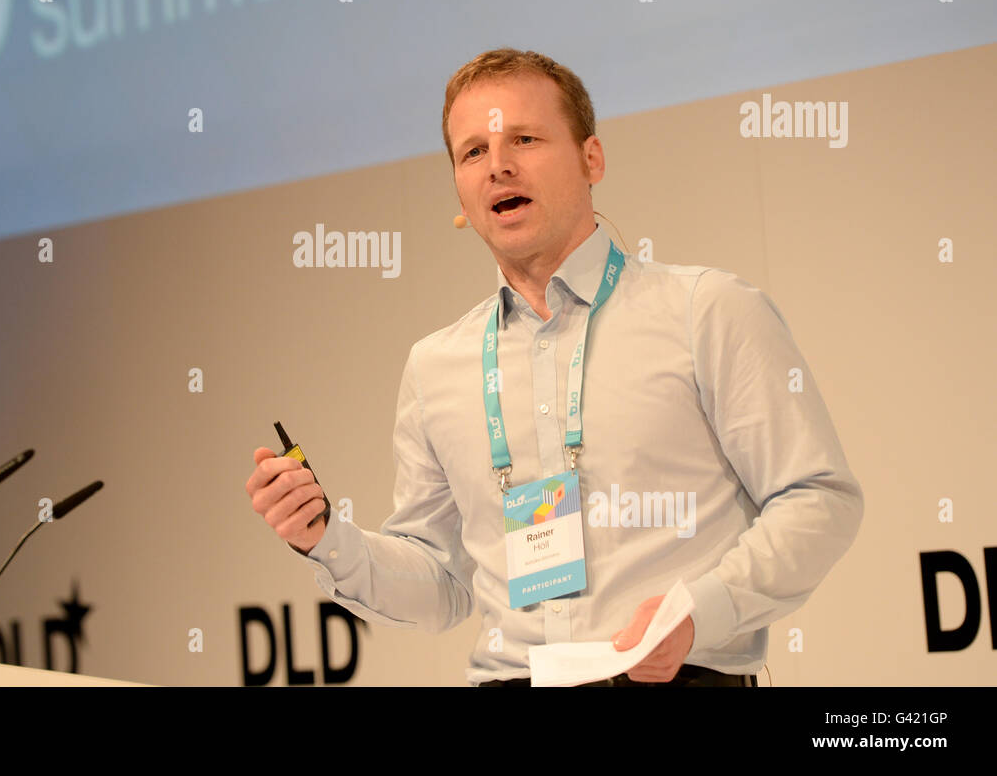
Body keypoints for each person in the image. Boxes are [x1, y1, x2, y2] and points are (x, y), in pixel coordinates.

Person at [245, 47, 863, 686]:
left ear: (591, 158)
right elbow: (443, 584)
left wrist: (697, 614)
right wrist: (325, 538)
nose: (499, 166)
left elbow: (818, 498)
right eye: (473, 153)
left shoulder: (705, 311)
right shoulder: (437, 367)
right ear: (459, 188)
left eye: (525, 138)